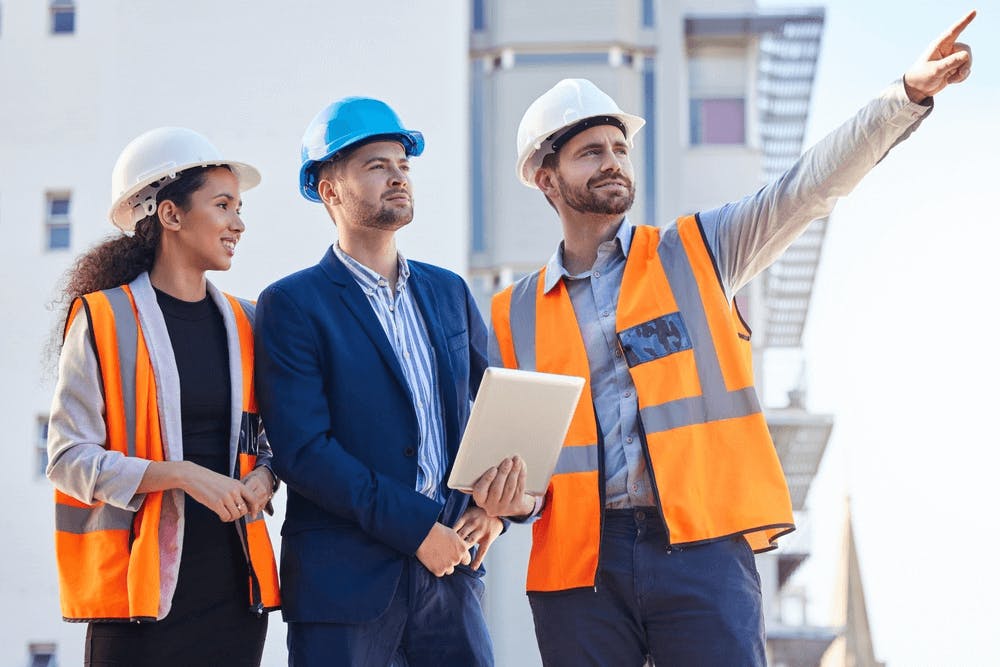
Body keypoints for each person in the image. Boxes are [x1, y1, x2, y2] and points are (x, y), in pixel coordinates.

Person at [474, 11, 975, 667]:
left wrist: (904, 96)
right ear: (548, 178)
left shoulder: (698, 252)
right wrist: (500, 501)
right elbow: (512, 466)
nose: (613, 162)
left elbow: (810, 186)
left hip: (701, 552)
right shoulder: (510, 316)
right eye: (591, 152)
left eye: (619, 148)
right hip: (579, 576)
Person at [254, 97, 500, 667]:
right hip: (345, 589)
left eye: (403, 165)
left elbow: (495, 411)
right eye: (376, 165)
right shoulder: (292, 304)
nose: (397, 176)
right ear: (328, 189)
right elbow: (305, 452)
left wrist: (495, 508)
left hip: (453, 577)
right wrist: (418, 530)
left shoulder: (449, 293)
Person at [46, 127, 280, 667]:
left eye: (239, 207)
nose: (238, 223)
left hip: (235, 590)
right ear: (170, 215)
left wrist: (264, 478)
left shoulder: (249, 323)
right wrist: (180, 474)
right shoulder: (103, 319)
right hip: (136, 599)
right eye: (222, 205)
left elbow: (269, 440)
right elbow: (66, 458)